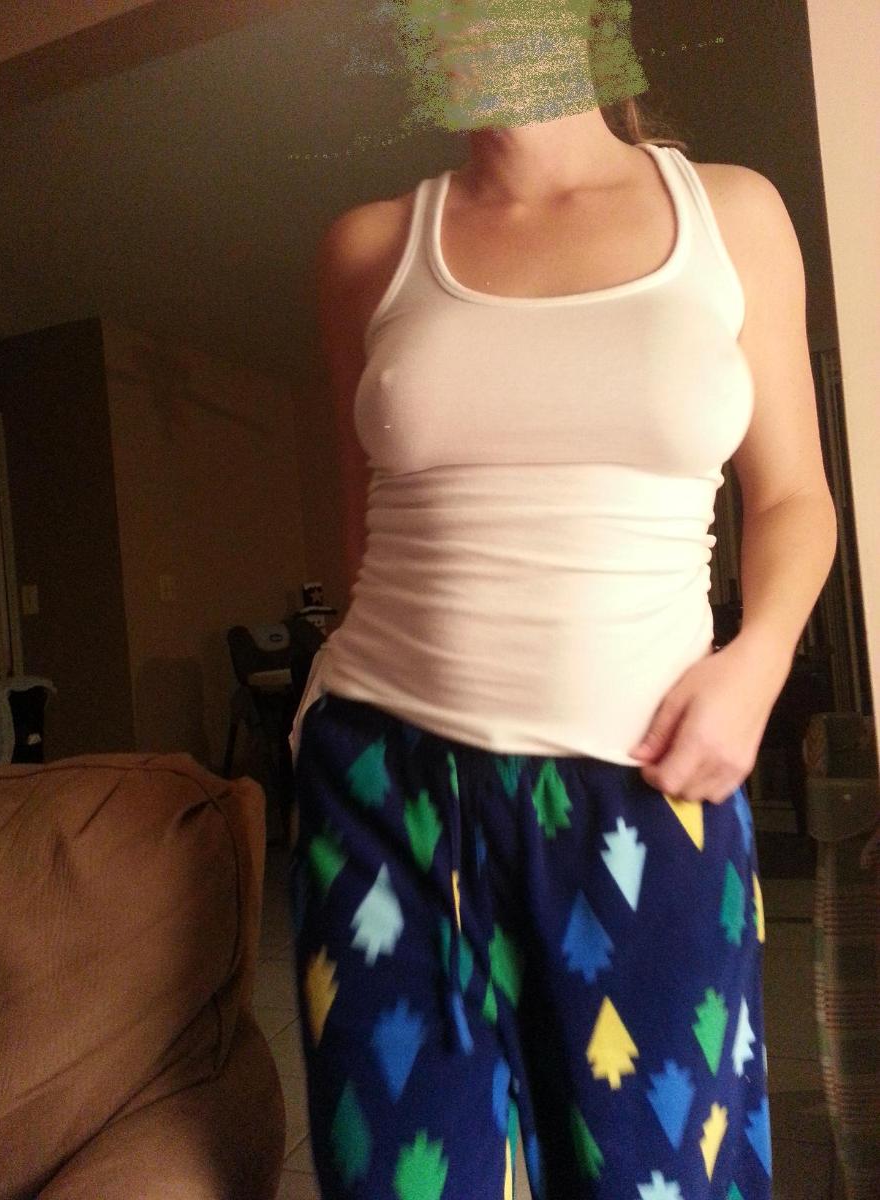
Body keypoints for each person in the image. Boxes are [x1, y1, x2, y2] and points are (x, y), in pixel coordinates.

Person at [287, 4, 838, 1197]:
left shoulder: (730, 216)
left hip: (647, 789)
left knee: (665, 1177)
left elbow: (796, 496)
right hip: (386, 795)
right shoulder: (367, 248)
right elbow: (363, 533)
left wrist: (757, 664)